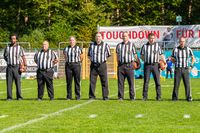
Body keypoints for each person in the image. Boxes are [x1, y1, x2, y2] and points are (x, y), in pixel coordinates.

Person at [140, 33, 166, 101]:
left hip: (155, 65)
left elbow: (161, 55)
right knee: (146, 82)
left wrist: (164, 62)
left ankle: (159, 96)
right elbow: (142, 56)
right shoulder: (144, 46)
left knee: (157, 81)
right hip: (147, 65)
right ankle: (145, 97)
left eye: (153, 38)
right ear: (148, 38)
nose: (152, 39)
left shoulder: (158, 46)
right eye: (151, 38)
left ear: (155, 38)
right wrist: (147, 60)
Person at [116, 31, 139, 101]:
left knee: (131, 82)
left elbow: (135, 55)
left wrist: (136, 62)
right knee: (120, 82)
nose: (124, 37)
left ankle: (132, 97)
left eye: (125, 36)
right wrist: (119, 64)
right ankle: (120, 97)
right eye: (123, 36)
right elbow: (117, 56)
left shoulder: (132, 45)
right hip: (121, 65)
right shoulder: (119, 45)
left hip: (129, 65)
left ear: (128, 37)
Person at [88, 32, 111, 100]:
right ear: (95, 38)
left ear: (101, 37)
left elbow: (109, 55)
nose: (98, 38)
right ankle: (91, 96)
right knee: (92, 81)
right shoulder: (91, 45)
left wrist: (103, 60)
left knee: (104, 81)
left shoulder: (105, 45)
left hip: (102, 65)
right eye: (97, 36)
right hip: (94, 65)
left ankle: (105, 96)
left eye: (99, 36)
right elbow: (89, 55)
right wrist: (93, 60)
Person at [3, 33, 27, 100]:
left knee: (18, 83)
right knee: (9, 83)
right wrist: (9, 62)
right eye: (11, 38)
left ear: (16, 39)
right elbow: (5, 56)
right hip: (9, 67)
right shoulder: (7, 47)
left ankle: (19, 97)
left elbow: (23, 57)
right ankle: (9, 97)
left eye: (14, 38)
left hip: (17, 67)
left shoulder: (20, 48)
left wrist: (25, 66)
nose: (12, 40)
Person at [171, 37, 195, 102]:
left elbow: (193, 58)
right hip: (178, 69)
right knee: (176, 84)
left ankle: (189, 97)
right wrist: (174, 61)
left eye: (183, 41)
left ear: (185, 42)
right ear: (179, 42)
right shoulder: (175, 49)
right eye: (181, 41)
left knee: (187, 84)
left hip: (185, 68)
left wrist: (191, 66)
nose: (182, 42)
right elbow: (172, 58)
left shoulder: (188, 49)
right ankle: (175, 97)